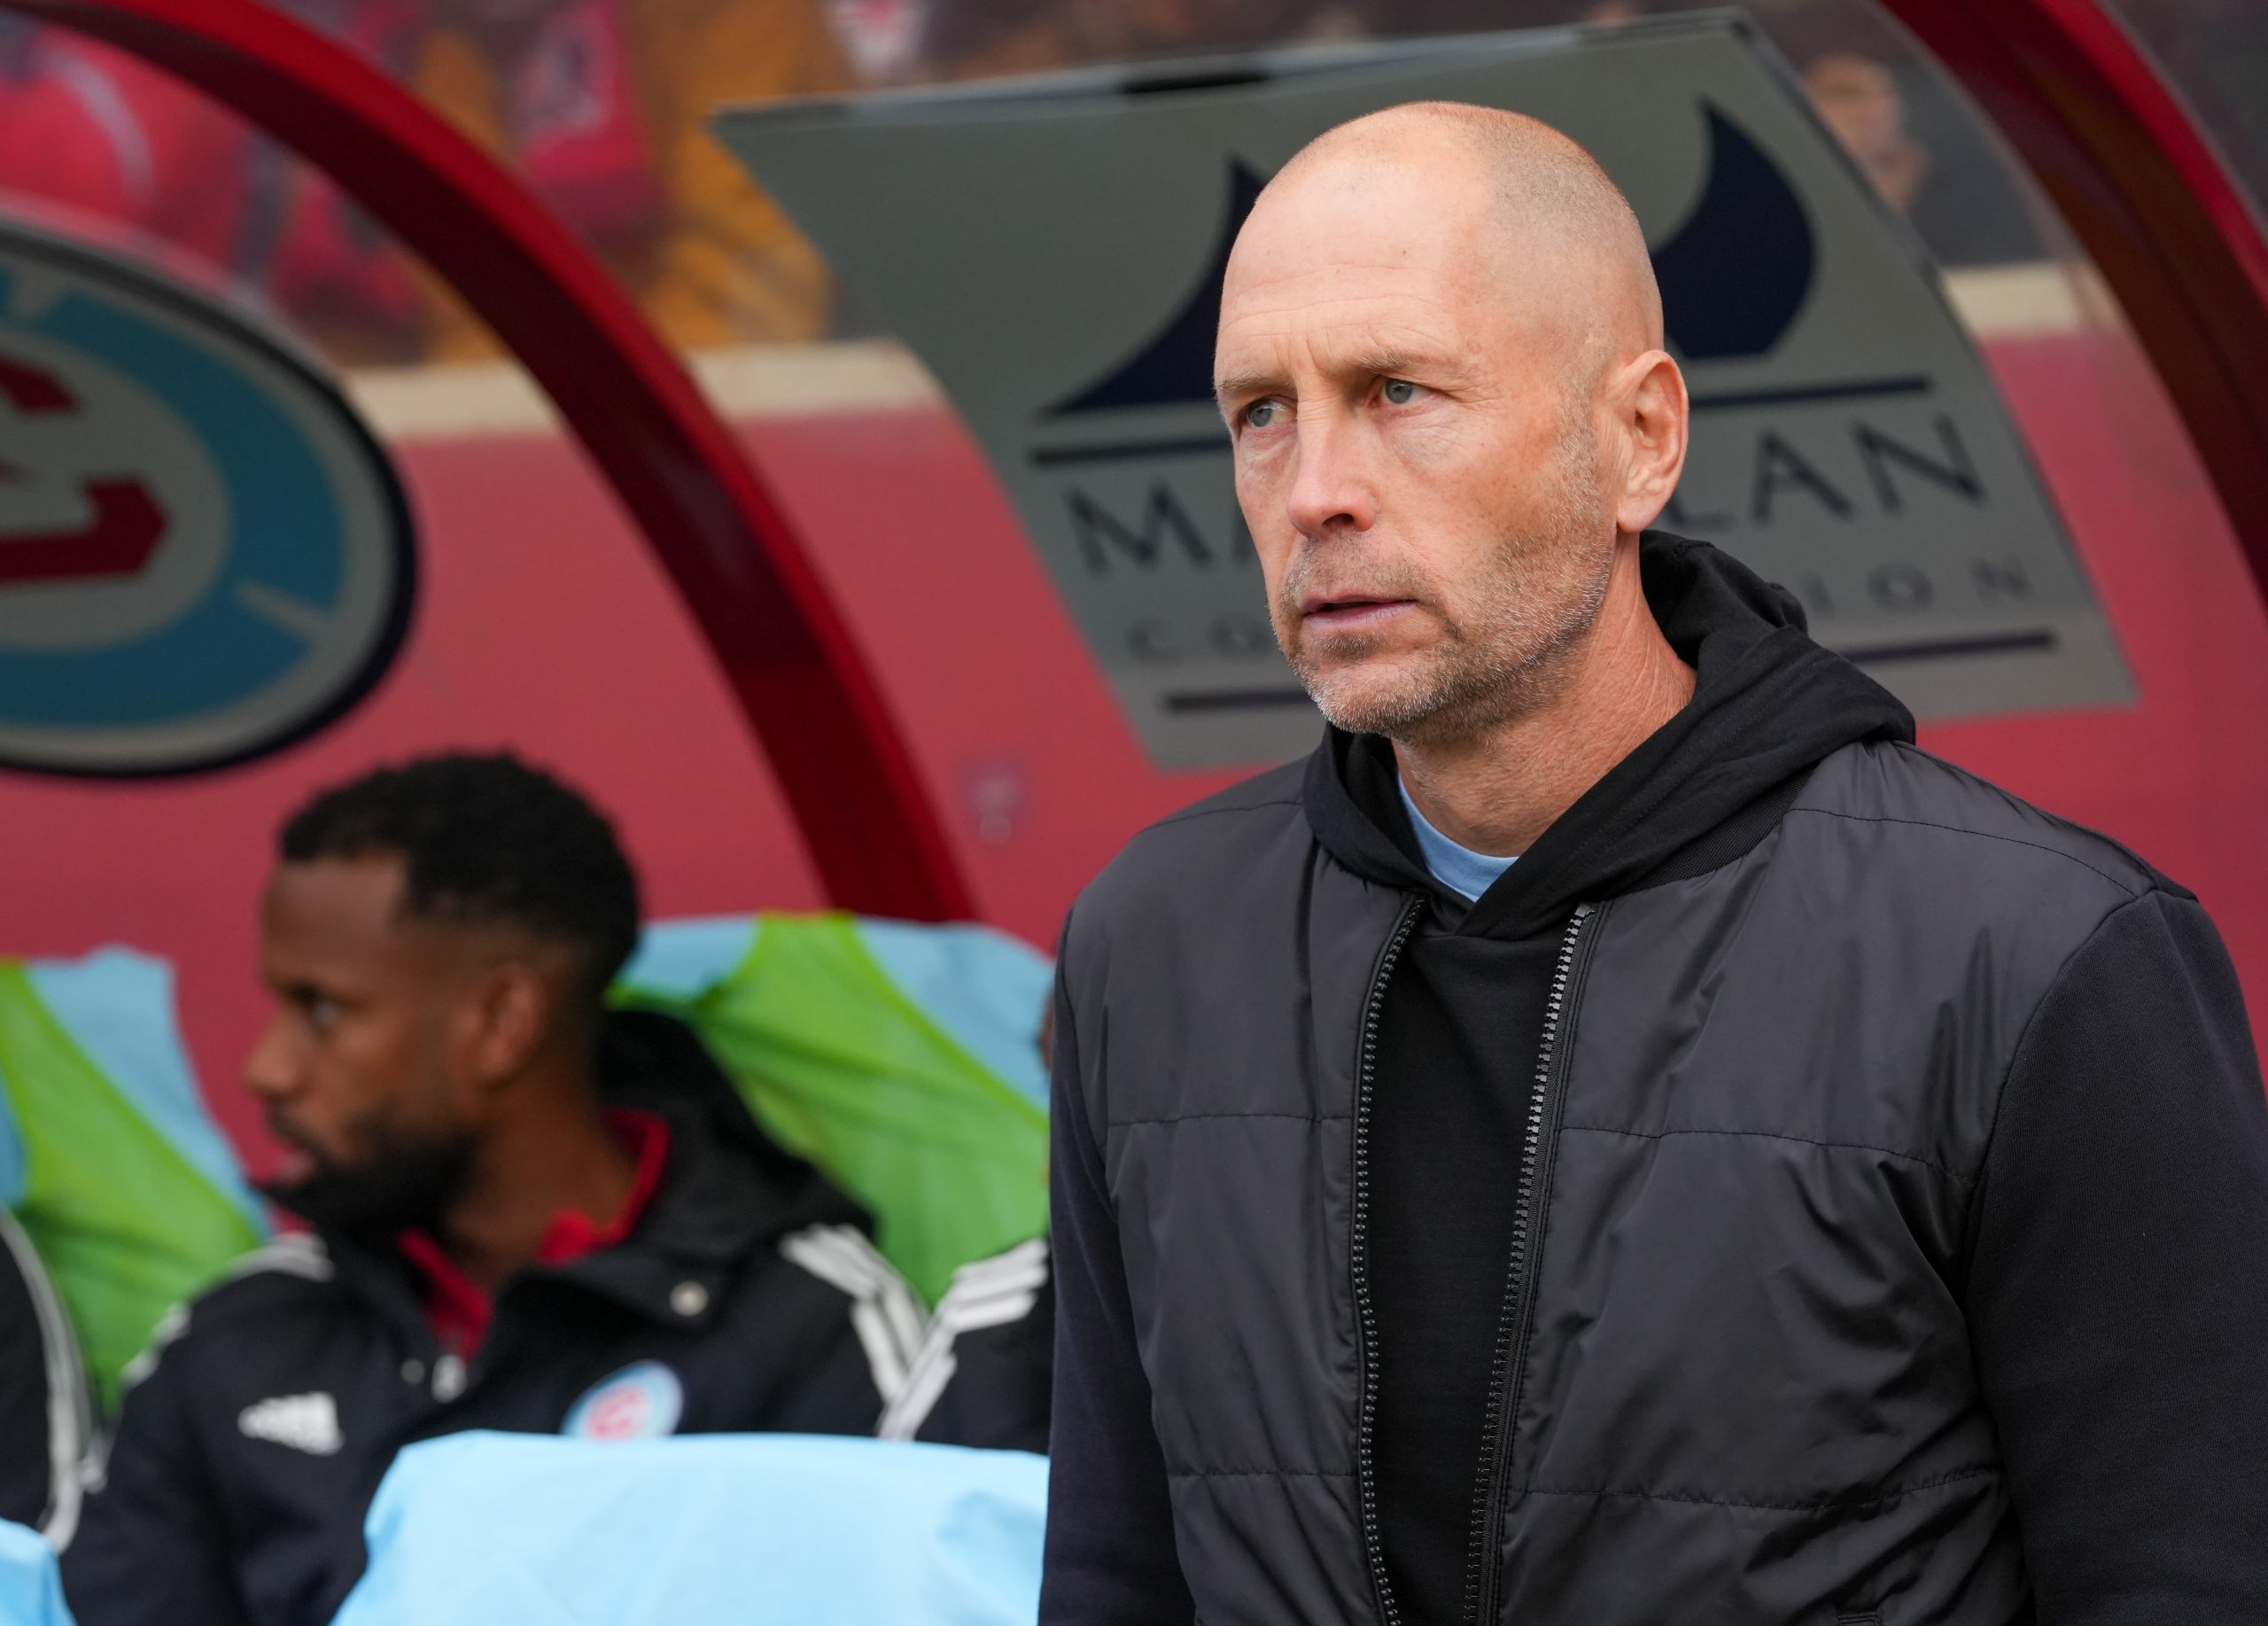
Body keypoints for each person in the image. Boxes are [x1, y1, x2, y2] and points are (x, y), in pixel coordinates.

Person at [1041, 102, 2268, 1623]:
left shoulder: (2035, 959)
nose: (1313, 492)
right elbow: (1115, 1570)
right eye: (1260, 413)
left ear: (1641, 439)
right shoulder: (1152, 944)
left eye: (1399, 390)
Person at [64, 753, 1049, 1626]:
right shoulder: (235, 1335)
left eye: (323, 1008)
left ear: (501, 1021)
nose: (267, 1068)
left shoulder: (809, 1320)